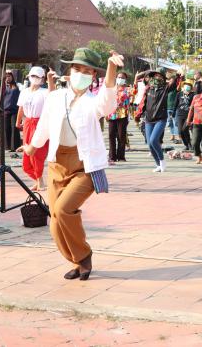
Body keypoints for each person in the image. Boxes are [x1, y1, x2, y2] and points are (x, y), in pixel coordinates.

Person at [21, 47, 122, 281]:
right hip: (57, 164)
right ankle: (76, 261)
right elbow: (44, 126)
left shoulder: (92, 102)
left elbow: (107, 103)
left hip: (84, 167)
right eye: (77, 68)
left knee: (63, 210)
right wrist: (31, 147)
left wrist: (111, 68)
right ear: (70, 70)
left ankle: (84, 256)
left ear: (93, 77)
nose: (81, 74)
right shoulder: (55, 97)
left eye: (88, 71)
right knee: (55, 223)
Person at [16, 66, 55, 191]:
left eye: (38, 77)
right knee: (27, 159)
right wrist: (18, 121)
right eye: (33, 76)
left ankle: (40, 181)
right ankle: (38, 180)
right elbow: (21, 107)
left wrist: (50, 79)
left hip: (40, 123)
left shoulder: (44, 92)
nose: (35, 79)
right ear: (29, 76)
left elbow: (52, 93)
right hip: (27, 123)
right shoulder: (24, 91)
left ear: (42, 79)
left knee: (37, 153)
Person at [138, 67, 179, 173]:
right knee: (150, 144)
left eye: (159, 76)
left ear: (163, 78)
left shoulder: (165, 88)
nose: (157, 77)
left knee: (153, 140)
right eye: (155, 75)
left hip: (160, 119)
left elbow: (174, 82)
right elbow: (142, 77)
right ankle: (158, 164)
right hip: (148, 119)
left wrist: (175, 75)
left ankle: (162, 161)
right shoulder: (148, 88)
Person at [107, 71, 130, 164]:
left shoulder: (128, 89)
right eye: (119, 77)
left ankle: (121, 156)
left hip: (122, 114)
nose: (120, 79)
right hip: (112, 114)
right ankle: (112, 156)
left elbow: (128, 97)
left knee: (121, 136)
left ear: (125, 79)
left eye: (122, 77)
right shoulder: (111, 88)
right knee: (111, 135)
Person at [3, 70, 21, 154]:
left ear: (12, 77)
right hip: (5, 110)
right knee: (6, 128)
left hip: (14, 110)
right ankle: (7, 146)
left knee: (14, 128)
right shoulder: (3, 87)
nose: (8, 78)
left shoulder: (17, 86)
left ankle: (15, 146)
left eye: (9, 76)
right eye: (6, 76)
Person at [174, 80, 194, 151]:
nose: (187, 87)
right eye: (186, 85)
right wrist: (173, 113)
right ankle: (186, 145)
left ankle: (189, 144)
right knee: (180, 131)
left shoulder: (193, 95)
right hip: (179, 114)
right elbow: (176, 104)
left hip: (188, 115)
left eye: (189, 86)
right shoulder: (179, 94)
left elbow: (194, 105)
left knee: (185, 129)